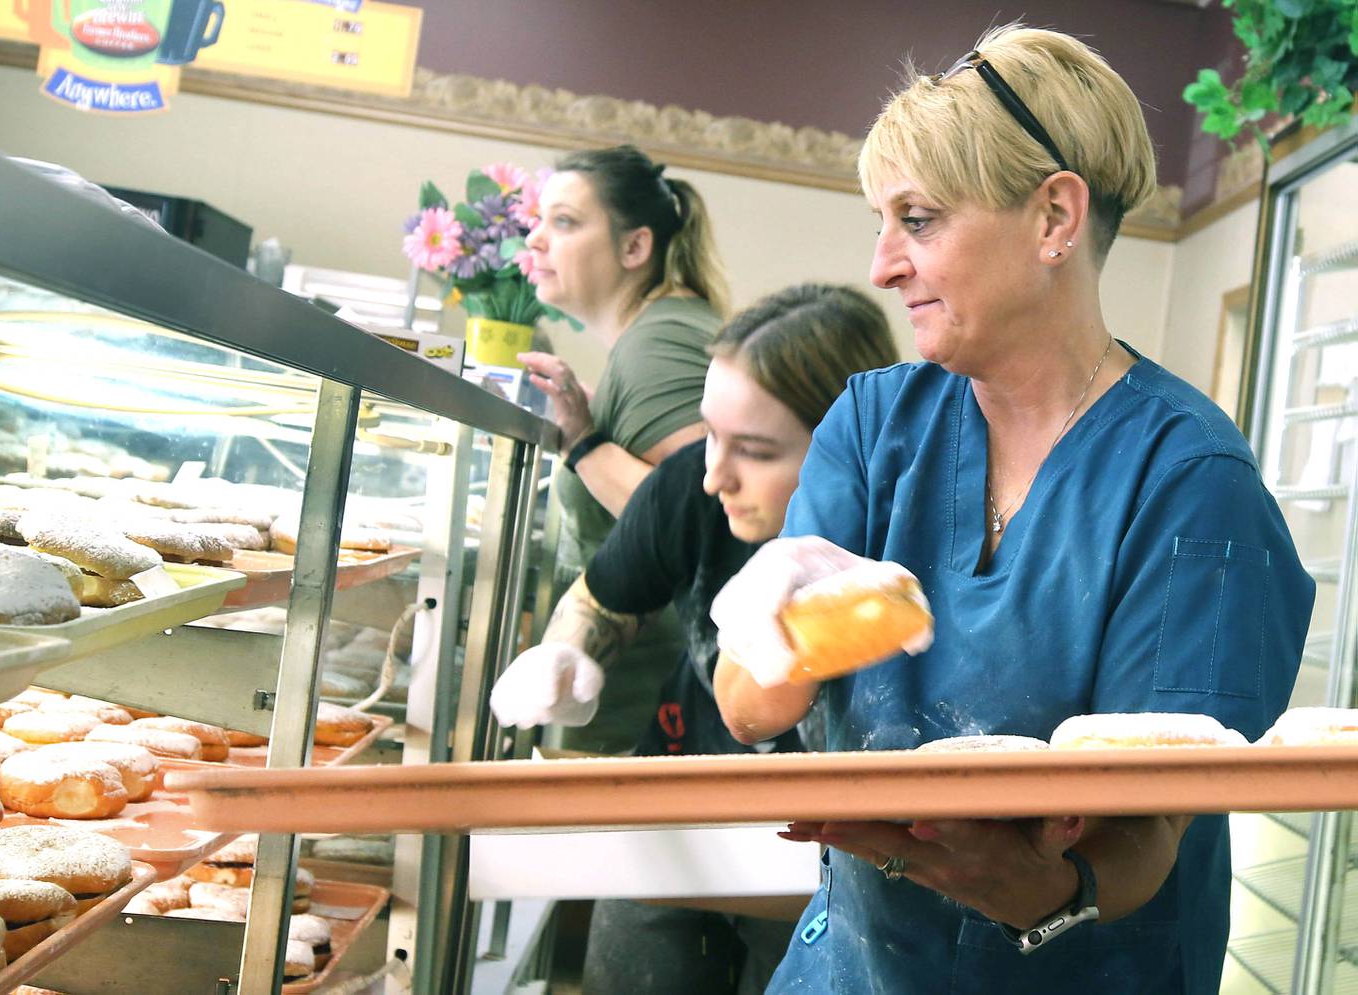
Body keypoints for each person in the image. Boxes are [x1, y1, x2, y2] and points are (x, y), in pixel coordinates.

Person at [709, 25, 1315, 995]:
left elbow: (1153, 829)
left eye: (917, 218)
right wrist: (778, 626)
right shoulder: (873, 425)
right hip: (853, 968)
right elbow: (747, 709)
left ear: (1053, 219)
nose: (881, 265)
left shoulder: (1190, 482)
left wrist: (1040, 888)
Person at [491, 284, 899, 994]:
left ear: (850, 446)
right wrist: (566, 650)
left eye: (756, 450)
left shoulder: (907, 537)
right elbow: (602, 599)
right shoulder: (691, 488)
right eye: (710, 433)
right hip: (681, 816)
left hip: (840, 859)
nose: (716, 473)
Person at [520, 144, 730, 754]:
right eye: (540, 221)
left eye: (563, 221)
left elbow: (702, 518)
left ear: (635, 247)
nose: (535, 240)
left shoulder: (657, 344)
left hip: (638, 711)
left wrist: (585, 446)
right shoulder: (658, 332)